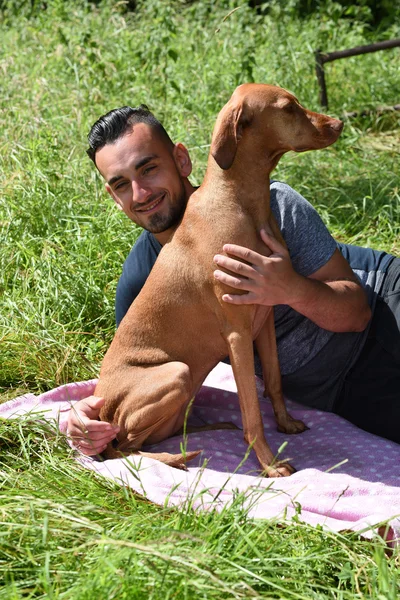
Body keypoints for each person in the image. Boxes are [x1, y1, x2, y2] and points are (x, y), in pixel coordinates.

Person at [67, 105, 400, 455]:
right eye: (121, 185)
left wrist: (288, 288)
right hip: (335, 389)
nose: (140, 194)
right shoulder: (144, 276)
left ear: (182, 160)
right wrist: (80, 418)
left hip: (382, 306)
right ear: (113, 197)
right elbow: (129, 368)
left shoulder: (271, 204)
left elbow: (356, 313)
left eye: (148, 169)